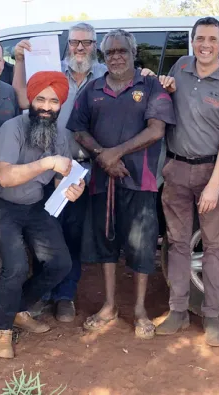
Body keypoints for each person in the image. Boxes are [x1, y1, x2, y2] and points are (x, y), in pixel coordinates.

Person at [68, 29, 175, 340]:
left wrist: (116, 153)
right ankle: (110, 305)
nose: (115, 56)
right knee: (106, 244)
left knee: (142, 248)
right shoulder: (93, 89)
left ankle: (140, 309)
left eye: (121, 51)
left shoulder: (152, 85)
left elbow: (156, 131)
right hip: (103, 182)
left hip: (141, 182)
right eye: (109, 52)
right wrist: (103, 157)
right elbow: (78, 130)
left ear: (133, 52)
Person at [155, 17, 219, 346]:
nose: (205, 44)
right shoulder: (181, 67)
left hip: (212, 171)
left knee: (212, 246)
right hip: (176, 170)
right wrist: (164, 85)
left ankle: (212, 316)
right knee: (178, 244)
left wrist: (214, 185)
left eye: (212, 39)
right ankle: (178, 312)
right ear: (192, 41)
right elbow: (162, 97)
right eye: (199, 38)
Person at [11, 22, 107, 322]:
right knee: (43, 235)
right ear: (67, 44)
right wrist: (21, 61)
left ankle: (65, 296)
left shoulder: (106, 76)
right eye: (75, 42)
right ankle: (41, 293)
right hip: (47, 168)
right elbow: (24, 100)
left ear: (95, 45)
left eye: (87, 43)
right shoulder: (48, 67)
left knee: (72, 234)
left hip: (83, 169)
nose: (80, 48)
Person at [0, 71, 85, 359]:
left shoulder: (60, 136)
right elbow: (5, 178)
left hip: (36, 207)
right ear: (31, 99)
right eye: (40, 98)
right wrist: (47, 163)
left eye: (53, 101)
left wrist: (72, 190)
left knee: (60, 263)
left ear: (61, 105)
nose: (46, 106)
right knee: (15, 266)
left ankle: (17, 308)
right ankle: (0, 330)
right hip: (5, 206)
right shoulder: (12, 128)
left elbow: (60, 181)